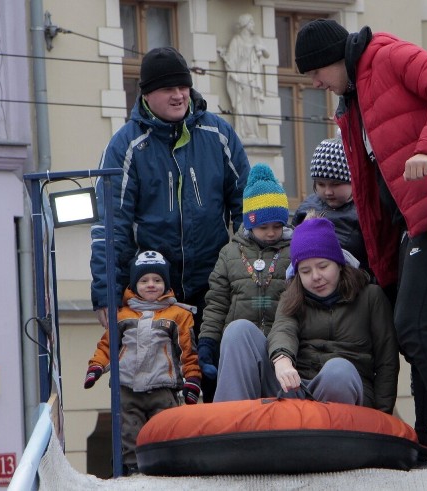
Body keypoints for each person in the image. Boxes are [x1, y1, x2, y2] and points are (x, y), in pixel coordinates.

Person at [295, 19, 427, 462]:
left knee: (415, 323)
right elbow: (367, 189)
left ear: (331, 59)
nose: (314, 83)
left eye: (315, 73)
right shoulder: (353, 99)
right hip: (413, 223)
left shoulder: (385, 55)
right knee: (418, 324)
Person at [90, 46, 251, 400]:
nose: (179, 95)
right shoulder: (125, 146)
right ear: (146, 94)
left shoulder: (218, 134)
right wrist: (107, 293)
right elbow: (110, 226)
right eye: (168, 89)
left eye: (184, 87)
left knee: (214, 378)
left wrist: (246, 270)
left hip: (214, 285)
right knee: (158, 386)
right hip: (153, 292)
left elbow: (246, 204)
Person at [214, 216, 399, 414]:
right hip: (295, 386)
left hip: (345, 390)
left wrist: (383, 414)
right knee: (238, 330)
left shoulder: (371, 297)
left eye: (323, 266)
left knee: (338, 371)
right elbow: (283, 328)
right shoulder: (293, 295)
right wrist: (282, 359)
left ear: (338, 263)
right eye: (305, 271)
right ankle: (230, 427)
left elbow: (387, 361)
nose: (316, 277)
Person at [83, 251, 201, 476]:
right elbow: (108, 345)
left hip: (163, 386)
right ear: (134, 284)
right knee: (129, 430)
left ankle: (165, 468)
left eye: (157, 280)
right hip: (128, 386)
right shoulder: (122, 314)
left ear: (166, 285)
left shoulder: (178, 315)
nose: (151, 285)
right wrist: (96, 367)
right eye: (144, 280)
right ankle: (133, 468)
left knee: (165, 428)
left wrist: (192, 380)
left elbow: (187, 350)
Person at [196, 163, 292, 397]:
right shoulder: (230, 254)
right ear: (249, 224)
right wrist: (207, 341)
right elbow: (217, 303)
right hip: (240, 351)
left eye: (277, 226)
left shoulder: (294, 251)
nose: (271, 233)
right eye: (263, 227)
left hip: (284, 352)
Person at [292, 136, 368, 274]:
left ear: (353, 182)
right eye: (321, 184)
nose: (328, 192)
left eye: (336, 184)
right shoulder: (305, 209)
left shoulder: (366, 212)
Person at [218, 13, 270, 141]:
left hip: (253, 76)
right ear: (245, 25)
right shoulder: (236, 40)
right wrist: (233, 73)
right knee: (243, 103)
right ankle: (244, 131)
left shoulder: (256, 39)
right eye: (251, 22)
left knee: (253, 102)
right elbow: (231, 59)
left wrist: (261, 48)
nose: (253, 25)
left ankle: (252, 131)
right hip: (242, 75)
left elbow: (267, 54)